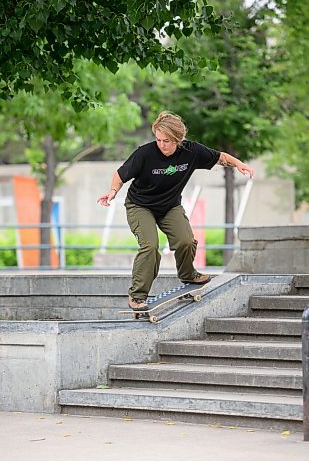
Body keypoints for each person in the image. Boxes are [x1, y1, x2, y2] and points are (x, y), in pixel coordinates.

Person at [97, 111, 254, 311]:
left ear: (179, 140)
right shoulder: (144, 153)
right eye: (159, 140)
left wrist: (240, 165)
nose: (162, 145)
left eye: (167, 141)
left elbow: (220, 157)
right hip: (140, 206)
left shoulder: (192, 151)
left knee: (186, 240)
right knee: (150, 246)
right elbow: (120, 174)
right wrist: (112, 192)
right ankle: (137, 295)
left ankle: (188, 274)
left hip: (169, 206)